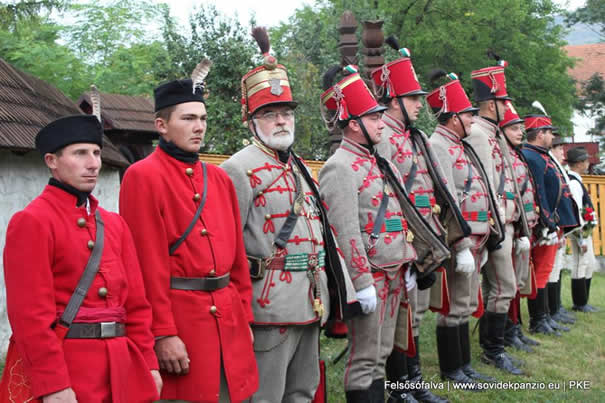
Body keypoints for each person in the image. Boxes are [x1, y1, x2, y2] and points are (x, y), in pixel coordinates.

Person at [221, 27, 357, 403]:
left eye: (285, 112)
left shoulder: (297, 166)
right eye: (270, 114)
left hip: (310, 300)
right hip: (267, 306)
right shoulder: (238, 168)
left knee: (302, 391)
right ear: (252, 121)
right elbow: (228, 245)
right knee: (266, 395)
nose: (281, 121)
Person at [119, 60, 258, 402]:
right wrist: (163, 333)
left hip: (228, 317)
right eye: (188, 119)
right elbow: (146, 266)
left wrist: (243, 314)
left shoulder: (220, 179)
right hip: (183, 324)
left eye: (203, 118)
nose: (199, 127)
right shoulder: (143, 176)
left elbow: (237, 259)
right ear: (161, 126)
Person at [1, 114, 161, 402]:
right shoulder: (32, 221)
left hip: (121, 369)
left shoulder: (114, 225)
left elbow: (137, 305)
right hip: (69, 371)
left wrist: (148, 364)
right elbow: (30, 318)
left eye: (97, 153)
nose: (93, 163)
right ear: (52, 161)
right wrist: (53, 385)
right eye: (80, 153)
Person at [319, 65, 450, 403]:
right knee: (364, 360)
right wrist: (361, 284)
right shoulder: (339, 166)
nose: (382, 123)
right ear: (353, 124)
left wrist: (408, 261)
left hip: (393, 271)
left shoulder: (375, 160)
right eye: (374, 118)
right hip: (372, 278)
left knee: (380, 356)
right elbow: (345, 233)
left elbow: (397, 215)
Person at [371, 42, 470, 402]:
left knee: (415, 317)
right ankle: (401, 389)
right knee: (401, 319)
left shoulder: (416, 137)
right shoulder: (382, 136)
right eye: (413, 98)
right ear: (395, 100)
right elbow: (384, 195)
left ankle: (413, 383)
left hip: (424, 236)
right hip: (403, 239)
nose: (419, 104)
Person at [427, 72, 502, 387]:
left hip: (476, 239)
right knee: (455, 306)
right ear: (454, 117)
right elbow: (447, 199)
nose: (473, 118)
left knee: (467, 303)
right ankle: (452, 369)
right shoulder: (439, 145)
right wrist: (459, 245)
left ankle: (465, 366)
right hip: (461, 239)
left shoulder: (460, 144)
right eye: (468, 113)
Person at [466, 59, 527, 375]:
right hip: (492, 223)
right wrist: (494, 226)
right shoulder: (478, 132)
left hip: (504, 220)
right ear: (491, 103)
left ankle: (496, 346)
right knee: (499, 287)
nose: (508, 105)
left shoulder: (492, 132)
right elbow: (486, 182)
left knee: (504, 287)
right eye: (504, 100)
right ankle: (492, 350)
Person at [522, 111, 579, 337]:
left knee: (544, 272)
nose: (551, 137)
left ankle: (543, 317)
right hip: (544, 223)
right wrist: (547, 221)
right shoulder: (533, 156)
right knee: (541, 272)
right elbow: (539, 191)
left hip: (551, 221)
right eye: (548, 133)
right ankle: (538, 320)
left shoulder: (541, 155)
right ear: (540, 134)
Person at [497, 102, 543, 352]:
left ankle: (515, 326)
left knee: (517, 281)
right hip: (510, 224)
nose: (520, 132)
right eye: (514, 128)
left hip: (523, 225)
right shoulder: (502, 156)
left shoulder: (517, 155)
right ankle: (505, 331)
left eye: (520, 128)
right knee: (506, 283)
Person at [546, 135, 576, 328]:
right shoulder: (550, 165)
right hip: (552, 225)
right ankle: (548, 312)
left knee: (556, 268)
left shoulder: (556, 166)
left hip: (558, 226)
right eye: (560, 149)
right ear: (552, 149)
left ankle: (555, 309)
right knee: (549, 270)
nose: (562, 153)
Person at [566, 146, 600, 313]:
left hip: (585, 228)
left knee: (588, 262)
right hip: (580, 230)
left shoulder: (576, 179)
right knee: (580, 262)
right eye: (586, 160)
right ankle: (579, 302)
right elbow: (577, 210)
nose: (588, 163)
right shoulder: (573, 182)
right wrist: (581, 237)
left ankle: (584, 300)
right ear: (579, 163)